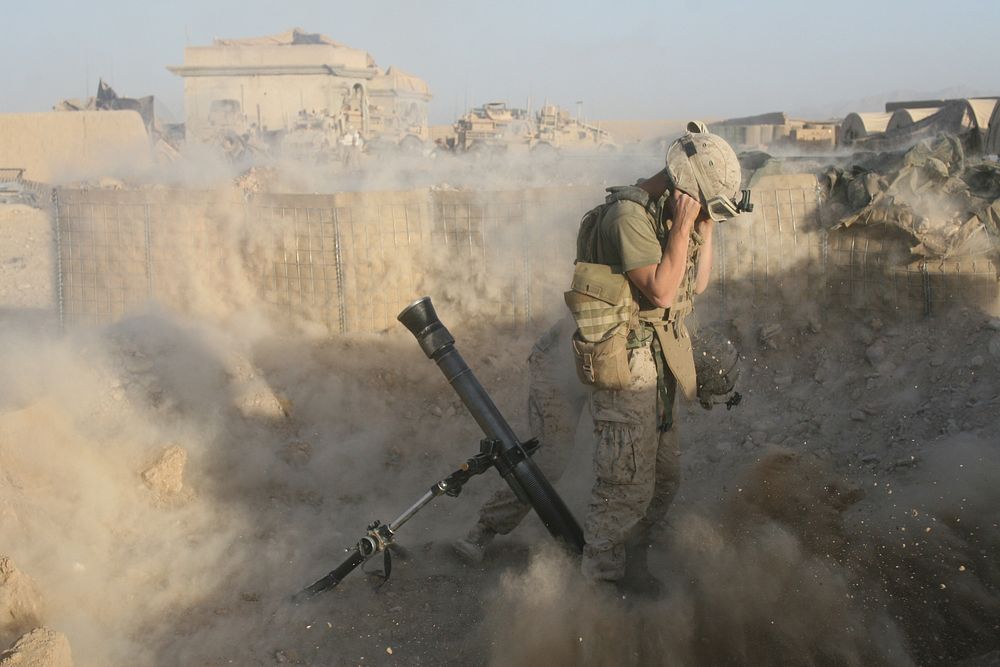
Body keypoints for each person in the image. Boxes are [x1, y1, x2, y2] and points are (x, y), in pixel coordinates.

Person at [454, 124, 744, 591]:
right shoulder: (628, 217)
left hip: (644, 360)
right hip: (597, 359)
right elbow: (663, 289)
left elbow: (694, 286)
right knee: (581, 470)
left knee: (663, 478)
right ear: (682, 189)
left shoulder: (670, 216)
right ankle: (585, 585)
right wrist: (687, 224)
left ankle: (633, 562)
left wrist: (702, 227)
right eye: (701, 204)